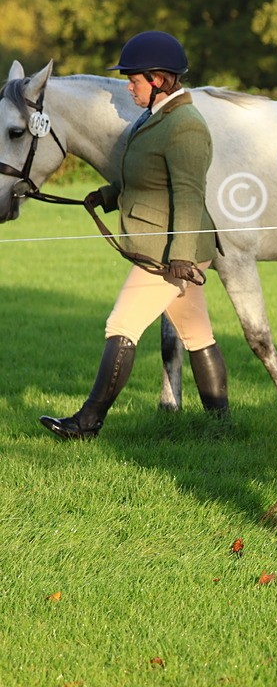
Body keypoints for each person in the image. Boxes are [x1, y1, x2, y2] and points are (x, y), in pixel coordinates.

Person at [39, 31, 229, 439]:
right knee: (197, 333)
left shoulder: (186, 127)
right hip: (169, 245)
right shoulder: (156, 117)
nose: (128, 86)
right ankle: (220, 424)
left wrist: (179, 256)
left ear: (158, 79)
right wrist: (108, 195)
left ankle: (87, 423)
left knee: (121, 325)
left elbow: (189, 193)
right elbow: (150, 178)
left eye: (134, 79)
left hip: (170, 250)